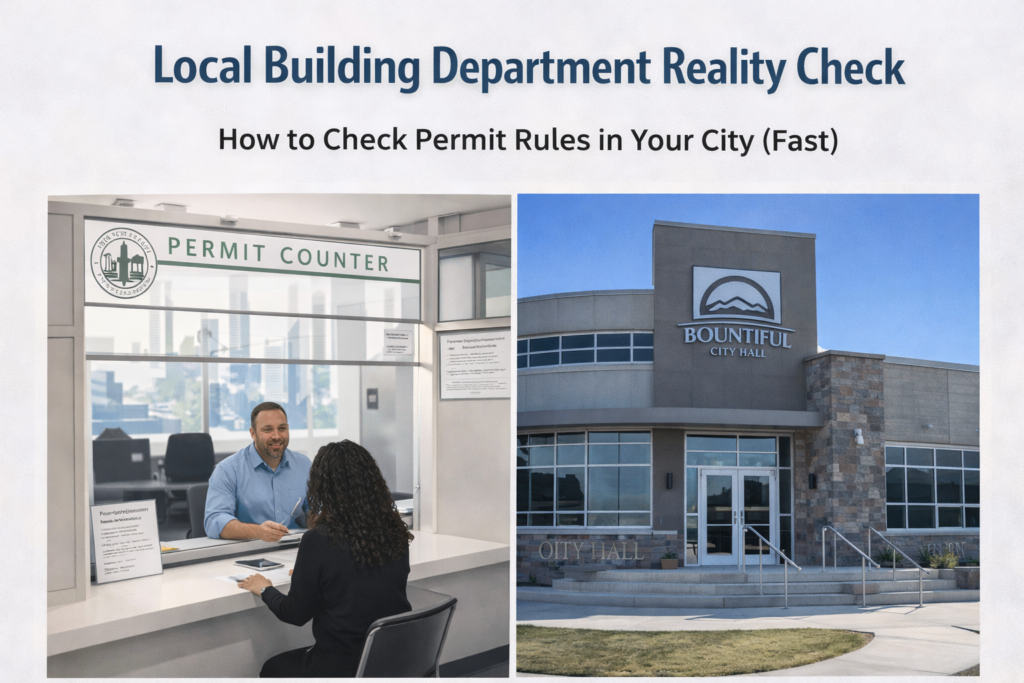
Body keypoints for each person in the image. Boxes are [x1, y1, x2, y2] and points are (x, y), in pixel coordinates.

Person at [236, 440, 414, 678]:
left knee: (272, 669)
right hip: (394, 659)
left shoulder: (318, 540)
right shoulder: (394, 530)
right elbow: (360, 574)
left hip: (342, 667)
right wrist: (315, 576)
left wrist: (265, 589)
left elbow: (294, 614)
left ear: (322, 487)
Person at [204, 402, 312, 541]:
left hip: (295, 547)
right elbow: (214, 521)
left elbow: (314, 511)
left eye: (282, 428)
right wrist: (258, 532)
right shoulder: (227, 470)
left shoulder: (304, 465)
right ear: (253, 433)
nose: (276, 436)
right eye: (268, 430)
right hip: (249, 549)